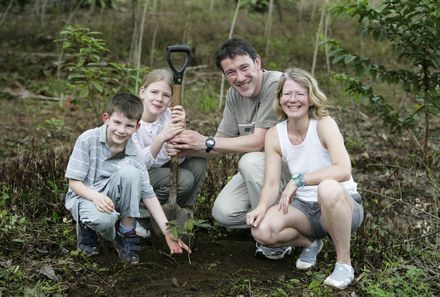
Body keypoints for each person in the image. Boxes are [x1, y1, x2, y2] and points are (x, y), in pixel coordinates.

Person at [167, 37, 291, 259]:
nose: (240, 77)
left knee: (250, 161)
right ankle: (285, 223)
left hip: (293, 172)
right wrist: (187, 147)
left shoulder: (277, 84)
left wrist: (205, 141)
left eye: (244, 67)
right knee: (224, 213)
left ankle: (276, 237)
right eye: (231, 72)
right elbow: (220, 144)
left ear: (257, 62)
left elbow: (259, 141)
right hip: (264, 174)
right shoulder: (234, 95)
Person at [246, 67, 364, 289]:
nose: (293, 100)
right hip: (305, 211)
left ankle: (344, 264)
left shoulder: (323, 124)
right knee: (261, 230)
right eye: (286, 94)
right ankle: (310, 242)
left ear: (311, 98)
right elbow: (271, 183)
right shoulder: (274, 134)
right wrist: (261, 207)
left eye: (299, 94)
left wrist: (299, 180)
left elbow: (343, 169)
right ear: (280, 99)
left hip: (342, 204)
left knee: (327, 188)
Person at [65, 93, 190, 264]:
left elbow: (148, 194)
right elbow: (74, 183)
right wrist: (96, 196)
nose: (122, 130)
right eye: (117, 123)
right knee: (104, 221)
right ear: (106, 118)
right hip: (86, 195)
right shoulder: (88, 139)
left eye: (129, 126)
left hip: (111, 199)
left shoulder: (134, 153)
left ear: (137, 127)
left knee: (131, 172)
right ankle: (87, 228)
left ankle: (126, 231)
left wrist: (168, 231)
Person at [132, 69, 207, 210]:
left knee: (198, 163)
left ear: (171, 100)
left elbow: (178, 156)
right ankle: (142, 209)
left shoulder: (170, 116)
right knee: (184, 179)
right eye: (154, 92)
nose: (159, 99)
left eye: (166, 95)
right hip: (139, 174)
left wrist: (181, 130)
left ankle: (182, 209)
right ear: (142, 92)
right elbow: (139, 164)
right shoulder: (131, 119)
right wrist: (161, 140)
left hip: (162, 169)